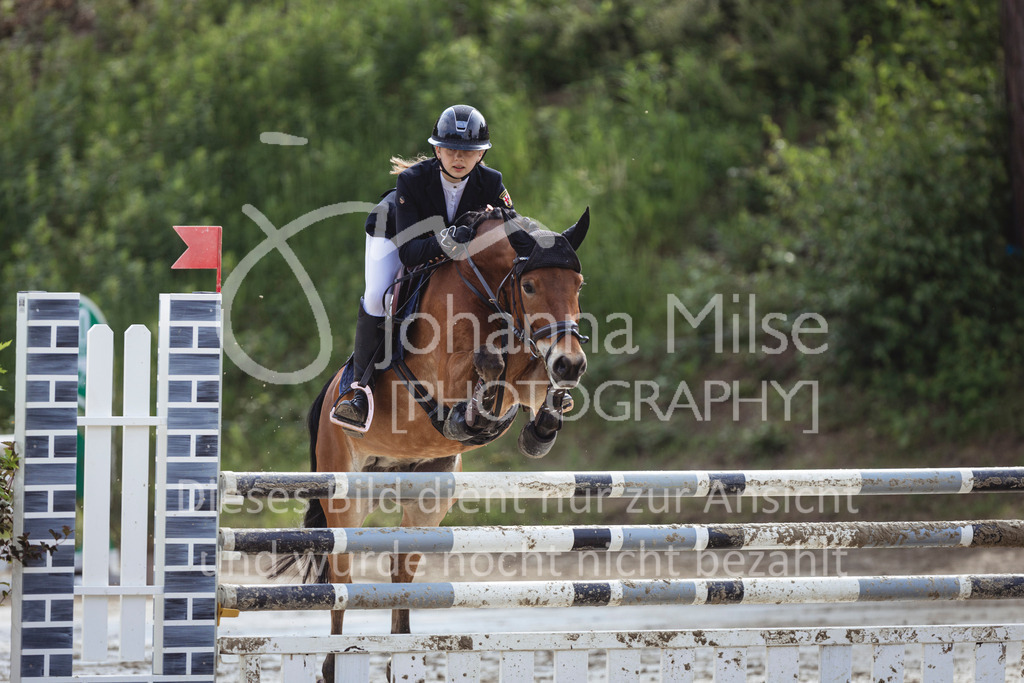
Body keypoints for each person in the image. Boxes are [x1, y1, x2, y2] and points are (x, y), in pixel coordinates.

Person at [331, 104, 515, 430]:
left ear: (481, 155)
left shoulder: (492, 183)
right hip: (393, 235)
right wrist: (447, 241)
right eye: (451, 150)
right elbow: (411, 254)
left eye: (469, 152)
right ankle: (359, 390)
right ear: (437, 149)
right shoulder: (412, 181)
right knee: (377, 295)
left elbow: (512, 238)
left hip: (451, 248)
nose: (459, 158)